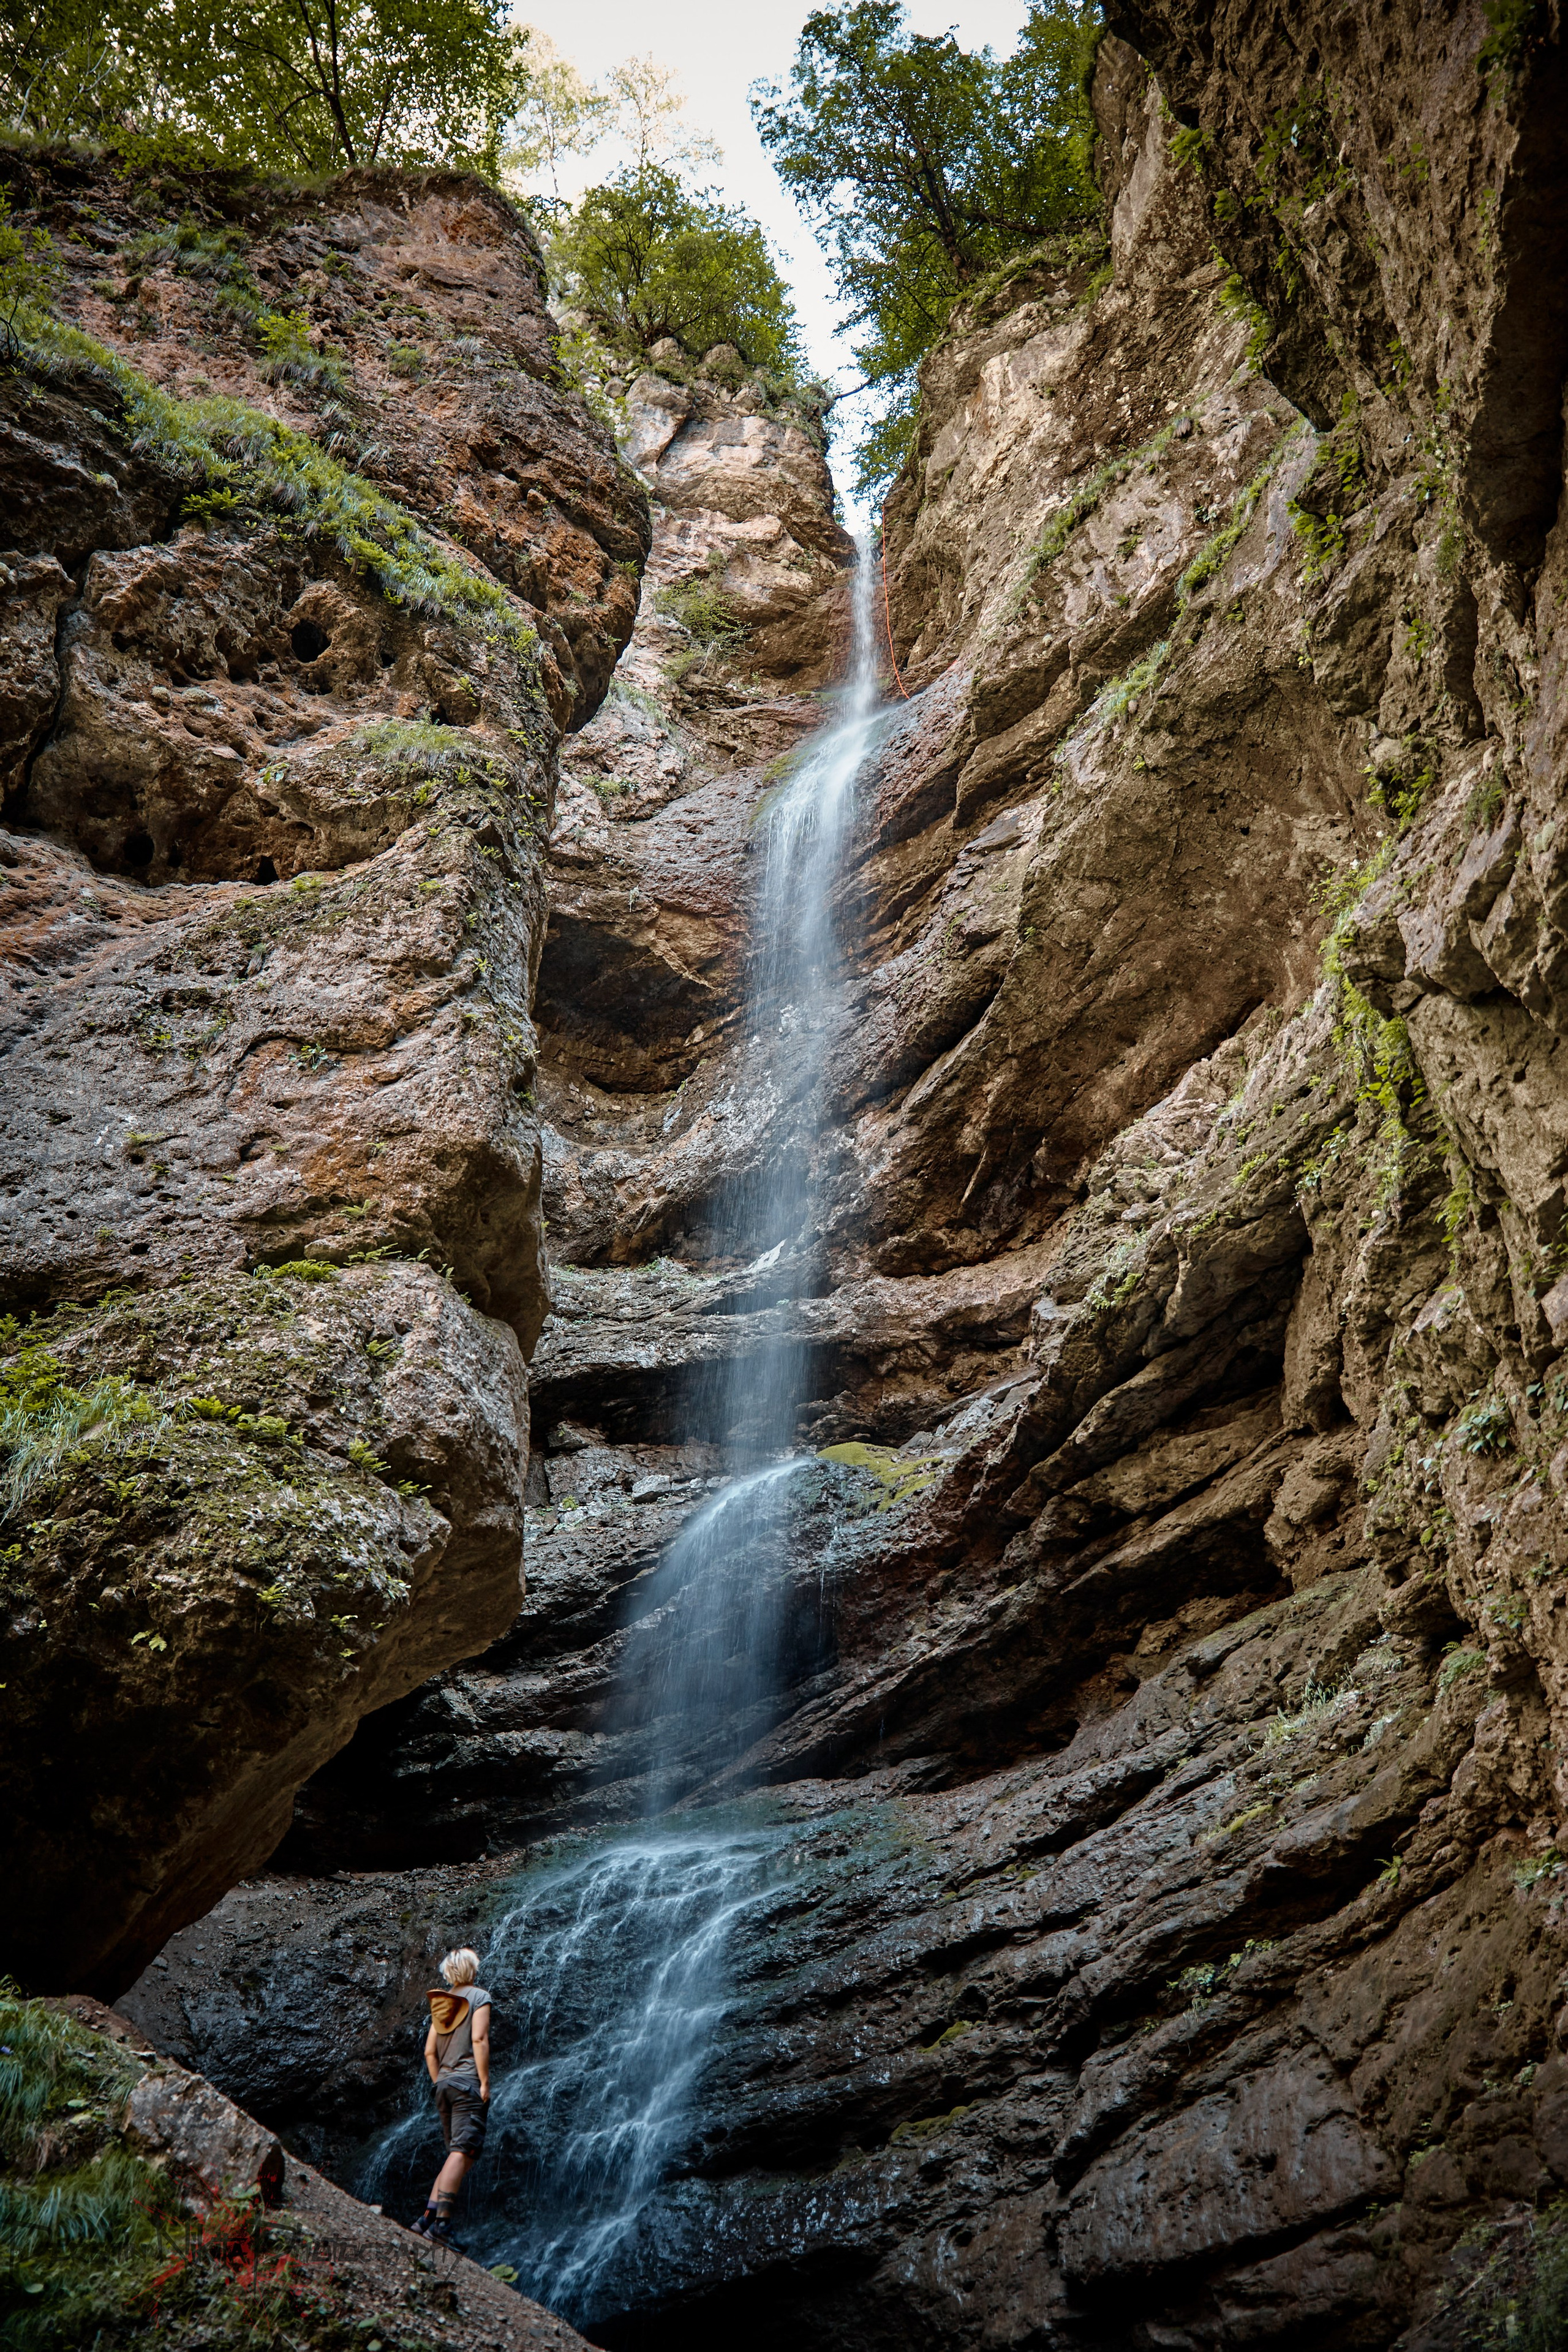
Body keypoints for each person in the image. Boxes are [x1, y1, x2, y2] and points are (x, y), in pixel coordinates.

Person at [411, 1945, 493, 2244]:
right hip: (467, 2084)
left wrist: (439, 2081)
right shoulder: (479, 1997)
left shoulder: (442, 2006)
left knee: (458, 2155)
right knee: (461, 2153)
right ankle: (442, 2226)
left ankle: (427, 2219)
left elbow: (429, 2052)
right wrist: (484, 2082)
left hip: (444, 2086)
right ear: (472, 1969)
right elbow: (479, 2038)